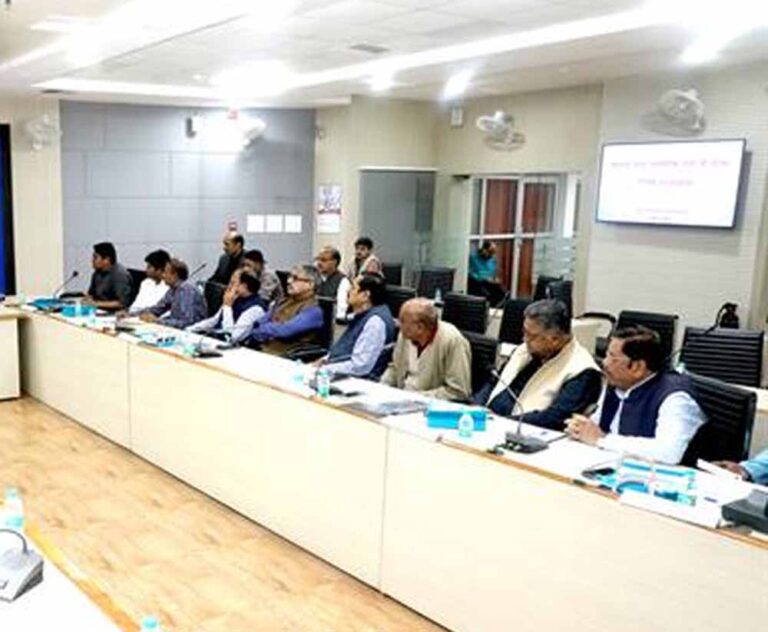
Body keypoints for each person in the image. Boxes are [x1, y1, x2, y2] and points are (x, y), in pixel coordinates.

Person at [565, 326, 705, 464]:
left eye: (613, 358)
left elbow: (669, 452)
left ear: (637, 367)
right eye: (606, 355)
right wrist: (580, 429)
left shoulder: (676, 398)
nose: (605, 363)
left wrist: (603, 439)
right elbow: (596, 427)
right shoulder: (616, 383)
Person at [472, 299, 601, 429]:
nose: (524, 339)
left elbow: (555, 418)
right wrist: (477, 408)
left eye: (531, 336)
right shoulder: (524, 350)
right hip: (488, 423)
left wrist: (499, 422)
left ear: (555, 340)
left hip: (523, 432)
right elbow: (493, 382)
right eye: (524, 332)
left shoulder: (583, 370)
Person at [381, 298, 471, 401]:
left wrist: (417, 397)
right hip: (401, 398)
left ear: (420, 327)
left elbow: (458, 391)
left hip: (428, 403)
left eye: (402, 321)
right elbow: (395, 368)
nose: (398, 324)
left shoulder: (452, 341)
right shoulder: (405, 335)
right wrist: (382, 387)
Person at [322, 274, 396, 379]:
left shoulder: (375, 323)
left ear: (365, 295)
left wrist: (325, 368)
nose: (348, 291)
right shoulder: (362, 315)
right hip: (338, 371)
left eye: (353, 288)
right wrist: (324, 360)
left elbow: (360, 366)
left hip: (357, 381)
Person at [249, 264, 323, 356]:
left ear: (310, 284)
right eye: (289, 277)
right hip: (262, 350)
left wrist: (264, 329)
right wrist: (263, 330)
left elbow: (285, 331)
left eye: (295, 278)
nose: (289, 281)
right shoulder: (283, 301)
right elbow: (259, 322)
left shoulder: (314, 311)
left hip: (285, 356)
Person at [187, 271, 266, 344]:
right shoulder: (236, 298)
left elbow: (231, 336)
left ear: (244, 286)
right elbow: (215, 320)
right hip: (216, 339)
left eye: (232, 283)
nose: (228, 286)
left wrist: (228, 306)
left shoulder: (255, 309)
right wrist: (190, 329)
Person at [139, 258, 207, 329]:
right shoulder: (172, 289)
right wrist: (137, 314)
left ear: (174, 275)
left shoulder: (187, 290)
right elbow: (158, 308)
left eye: (165, 272)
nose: (163, 275)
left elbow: (186, 322)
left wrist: (158, 321)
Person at [85, 242, 133, 311]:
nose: (92, 261)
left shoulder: (119, 274)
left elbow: (122, 303)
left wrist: (96, 303)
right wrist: (87, 299)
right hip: (99, 310)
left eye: (95, 258)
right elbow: (91, 294)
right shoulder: (97, 272)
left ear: (106, 260)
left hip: (114, 313)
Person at [205, 232, 245, 314]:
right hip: (222, 296)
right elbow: (216, 277)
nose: (224, 248)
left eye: (227, 244)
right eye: (224, 244)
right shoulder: (223, 259)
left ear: (238, 245)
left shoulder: (247, 260)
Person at [129, 249, 170, 314]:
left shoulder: (169, 286)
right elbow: (136, 306)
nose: (146, 270)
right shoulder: (145, 283)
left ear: (159, 270)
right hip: (138, 315)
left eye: (149, 267)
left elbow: (161, 310)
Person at [315, 246, 350, 321]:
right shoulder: (313, 276)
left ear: (334, 262)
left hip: (329, 320)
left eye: (323, 260)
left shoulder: (342, 281)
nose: (319, 263)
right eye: (318, 259)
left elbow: (341, 308)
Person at [468, 240, 506, 307]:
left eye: (493, 253)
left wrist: (494, 279)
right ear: (484, 250)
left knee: (502, 294)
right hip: (477, 283)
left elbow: (492, 273)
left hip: (489, 283)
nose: (491, 255)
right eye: (490, 252)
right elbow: (469, 272)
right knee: (485, 295)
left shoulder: (492, 260)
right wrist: (483, 278)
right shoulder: (473, 258)